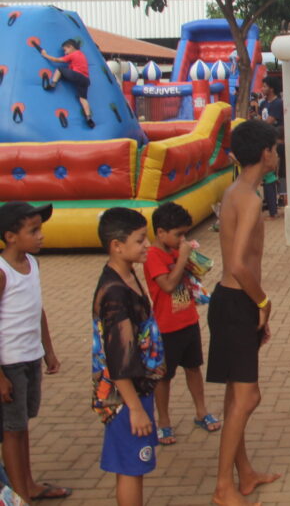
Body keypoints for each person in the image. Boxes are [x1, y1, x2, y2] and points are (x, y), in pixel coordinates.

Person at [207, 119, 281, 505]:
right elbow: (238, 264)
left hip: (230, 301)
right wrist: (263, 302)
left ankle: (244, 472)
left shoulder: (235, 191)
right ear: (265, 153)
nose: (277, 154)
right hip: (238, 301)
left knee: (236, 397)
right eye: (275, 148)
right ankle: (223, 487)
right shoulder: (249, 199)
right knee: (248, 398)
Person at [92, 207, 165, 506]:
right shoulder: (115, 294)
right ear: (117, 246)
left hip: (137, 388)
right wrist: (135, 408)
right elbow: (118, 358)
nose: (147, 245)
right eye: (140, 240)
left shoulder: (127, 274)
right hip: (125, 396)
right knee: (131, 468)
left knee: (135, 465)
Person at [0, 202, 68, 502]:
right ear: (10, 236)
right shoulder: (2, 272)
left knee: (23, 425)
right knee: (12, 431)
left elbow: (37, 309)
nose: (41, 236)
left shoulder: (33, 264)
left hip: (30, 357)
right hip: (9, 364)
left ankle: (28, 484)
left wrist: (48, 351)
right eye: (33, 231)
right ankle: (19, 495)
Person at [143, 202, 220, 446]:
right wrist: (182, 258)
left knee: (194, 368)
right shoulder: (153, 256)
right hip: (166, 327)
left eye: (185, 234)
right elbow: (167, 285)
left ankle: (201, 411)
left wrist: (191, 257)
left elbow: (199, 271)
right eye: (178, 234)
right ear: (161, 232)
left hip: (188, 320)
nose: (182, 239)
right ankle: (164, 422)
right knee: (164, 377)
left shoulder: (176, 250)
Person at [36, 38, 95, 128]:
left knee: (59, 70)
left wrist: (45, 55)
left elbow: (57, 60)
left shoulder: (73, 54)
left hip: (76, 75)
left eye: (65, 50)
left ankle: (53, 84)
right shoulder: (81, 54)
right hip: (85, 80)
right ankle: (89, 118)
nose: (65, 53)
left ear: (71, 47)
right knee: (83, 98)